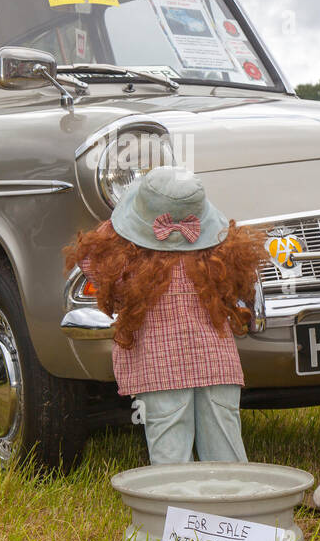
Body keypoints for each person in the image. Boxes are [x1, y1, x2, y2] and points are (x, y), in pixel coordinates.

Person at [64, 166, 266, 465]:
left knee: (171, 457)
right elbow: (239, 288)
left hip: (159, 368)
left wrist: (124, 223)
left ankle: (177, 497)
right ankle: (232, 494)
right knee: (227, 452)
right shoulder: (218, 255)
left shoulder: (125, 262)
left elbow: (89, 259)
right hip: (216, 364)